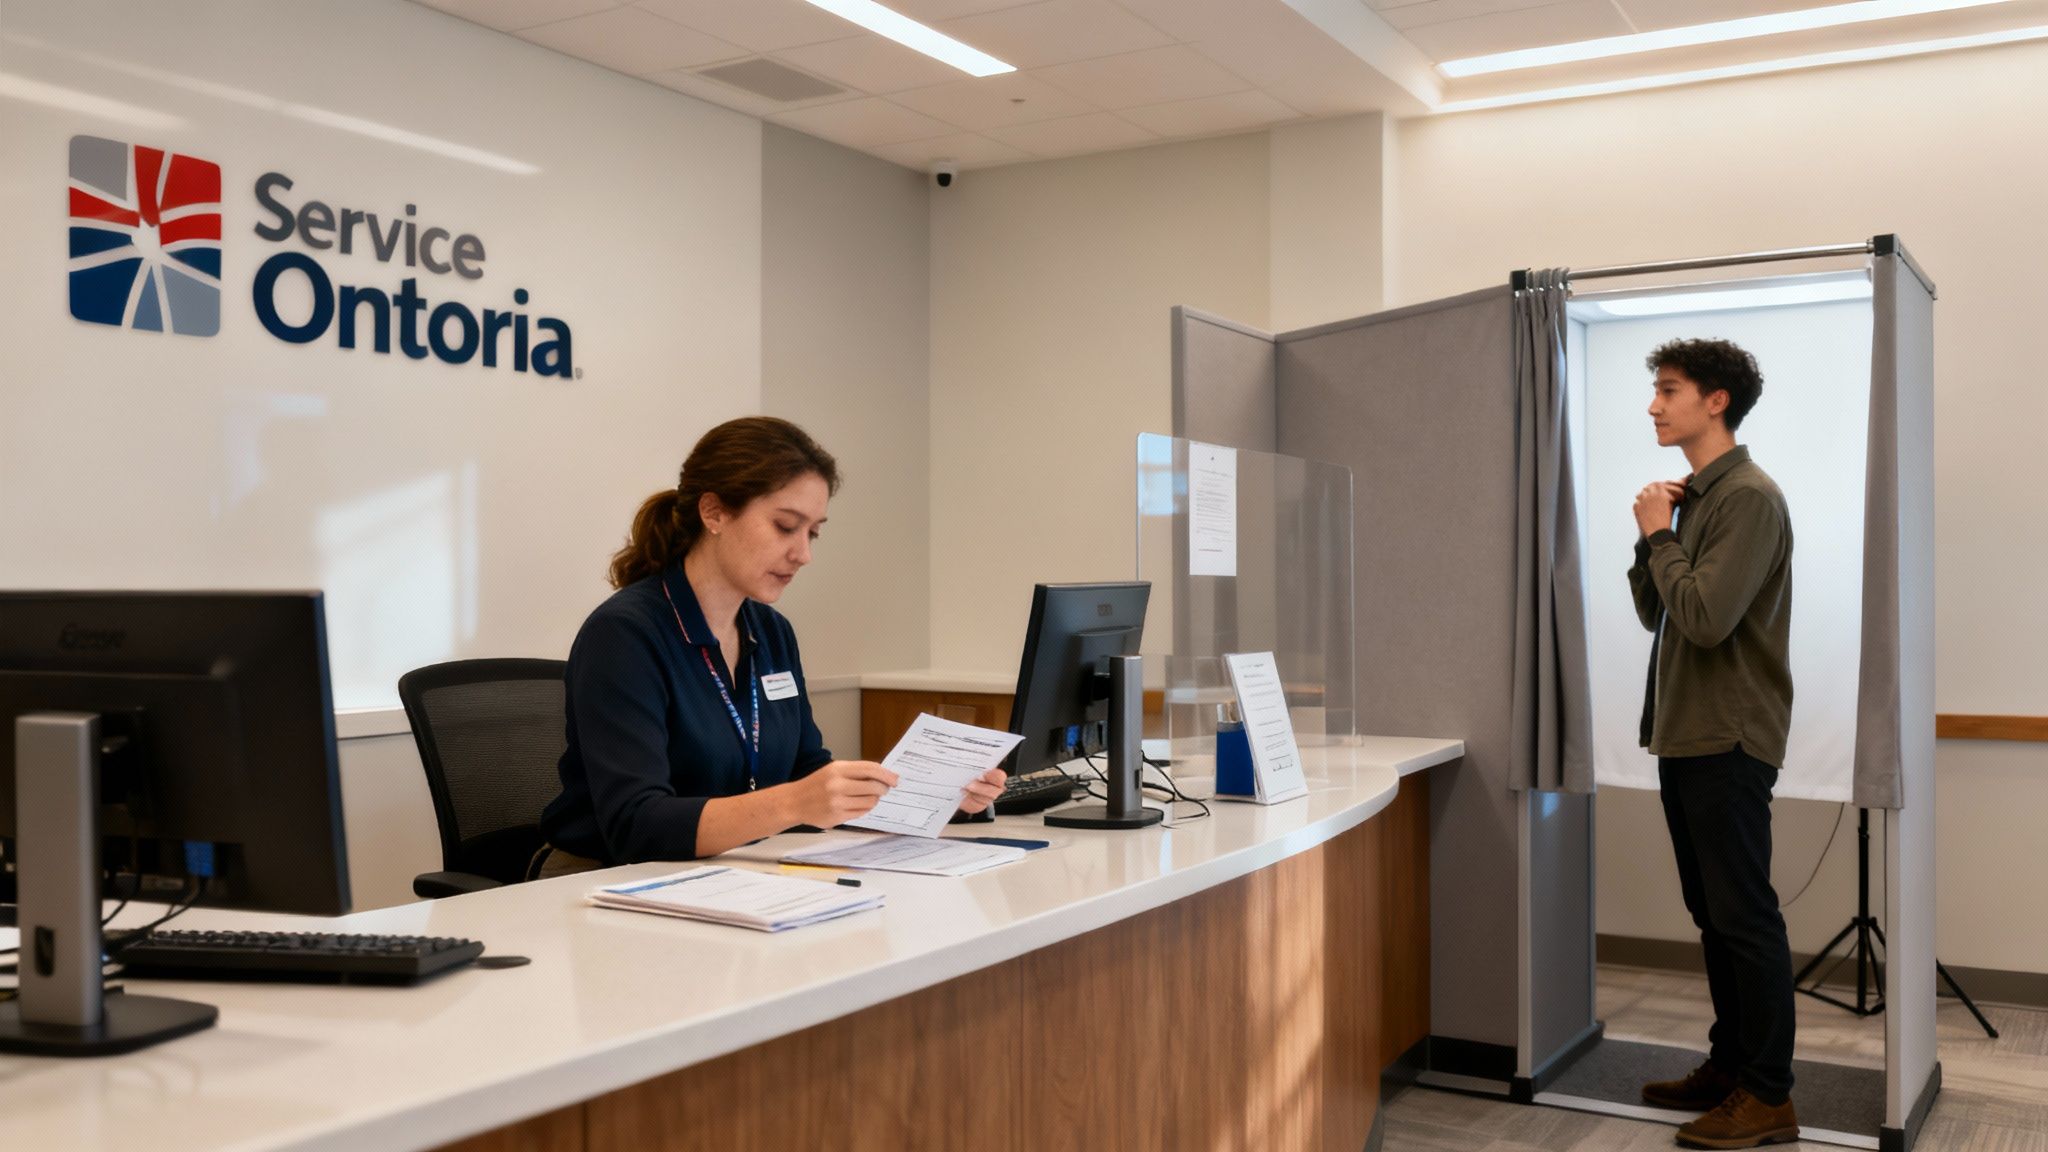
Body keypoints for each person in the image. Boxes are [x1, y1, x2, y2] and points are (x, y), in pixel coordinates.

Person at [534, 416, 1006, 878]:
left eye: (813, 531)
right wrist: (794, 801)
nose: (804, 554)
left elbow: (808, 772)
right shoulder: (625, 635)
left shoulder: (771, 631)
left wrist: (936, 797)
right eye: (785, 526)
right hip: (601, 880)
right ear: (714, 512)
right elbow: (637, 825)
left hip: (732, 872)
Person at [1626, 339, 1800, 1150]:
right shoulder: (1699, 499)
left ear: (1716, 401)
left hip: (1728, 738)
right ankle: (1731, 1068)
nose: (1655, 406)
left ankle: (1768, 1095)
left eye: (1669, 390)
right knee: (1715, 916)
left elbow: (1703, 618)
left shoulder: (1750, 499)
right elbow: (1655, 613)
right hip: (1688, 736)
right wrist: (1653, 536)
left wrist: (1661, 534)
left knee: (1744, 918)